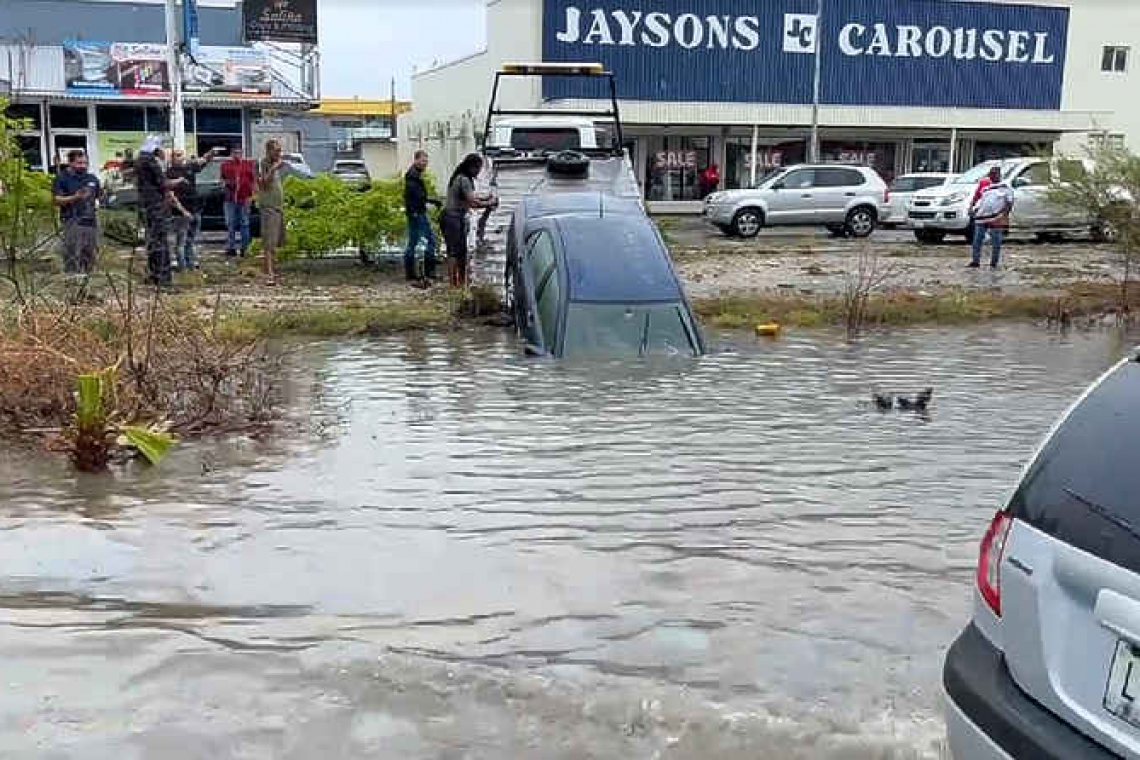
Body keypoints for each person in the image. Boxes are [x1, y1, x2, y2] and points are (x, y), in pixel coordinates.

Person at [441, 153, 497, 288]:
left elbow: (472, 199)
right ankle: (453, 284)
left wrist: (486, 199)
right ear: (471, 167)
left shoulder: (461, 178)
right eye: (478, 168)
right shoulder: (464, 179)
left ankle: (460, 282)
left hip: (455, 217)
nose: (478, 171)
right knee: (454, 252)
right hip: (452, 218)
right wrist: (489, 203)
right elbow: (472, 202)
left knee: (461, 252)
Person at [135, 138, 185, 286]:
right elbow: (164, 184)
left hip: (146, 205)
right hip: (157, 206)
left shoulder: (140, 160)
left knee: (152, 241)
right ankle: (164, 278)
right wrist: (180, 180)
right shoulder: (151, 161)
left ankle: (154, 275)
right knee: (161, 242)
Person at [167, 146, 222, 271]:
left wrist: (211, 153)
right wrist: (183, 211)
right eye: (177, 155)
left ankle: (191, 265)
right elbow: (170, 196)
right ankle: (183, 269)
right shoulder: (170, 173)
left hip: (194, 210)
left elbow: (203, 160)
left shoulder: (189, 168)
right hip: (180, 214)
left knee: (191, 241)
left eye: (181, 155)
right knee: (181, 242)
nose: (180, 157)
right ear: (172, 158)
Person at [50, 149, 100, 275]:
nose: (83, 166)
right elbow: (56, 200)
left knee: (89, 254)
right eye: (79, 163)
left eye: (85, 163)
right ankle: (72, 282)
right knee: (72, 253)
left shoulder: (92, 178)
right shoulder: (61, 178)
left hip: (90, 221)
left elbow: (100, 195)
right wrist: (75, 197)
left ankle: (87, 282)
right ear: (70, 163)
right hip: (72, 221)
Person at [403, 150, 441, 282]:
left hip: (416, 212)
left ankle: (411, 273)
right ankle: (428, 271)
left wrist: (431, 201)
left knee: (413, 242)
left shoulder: (415, 175)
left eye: (426, 161)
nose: (425, 164)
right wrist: (414, 212)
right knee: (429, 241)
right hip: (417, 213)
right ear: (416, 160)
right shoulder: (413, 176)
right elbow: (410, 197)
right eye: (423, 161)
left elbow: (419, 196)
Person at [969, 165, 1015, 269]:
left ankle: (994, 263)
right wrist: (973, 209)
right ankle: (975, 261)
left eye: (994, 174)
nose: (992, 176)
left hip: (996, 217)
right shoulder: (985, 188)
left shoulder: (1005, 188)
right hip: (981, 217)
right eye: (991, 174)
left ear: (999, 175)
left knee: (996, 242)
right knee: (977, 240)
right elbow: (979, 200)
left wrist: (1004, 216)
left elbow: (1009, 203)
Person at [257, 139, 287, 285]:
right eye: (276, 151)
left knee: (276, 241)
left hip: (278, 207)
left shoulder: (276, 164)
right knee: (269, 242)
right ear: (268, 151)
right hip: (268, 207)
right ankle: (268, 273)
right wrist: (274, 168)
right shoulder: (263, 164)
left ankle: (272, 269)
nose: (279, 153)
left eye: (280, 151)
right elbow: (264, 183)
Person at [220, 144, 256, 257]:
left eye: (239, 153)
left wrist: (252, 196)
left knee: (244, 223)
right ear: (231, 154)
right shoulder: (225, 165)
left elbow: (254, 181)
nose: (237, 155)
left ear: (242, 153)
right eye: (235, 153)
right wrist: (225, 184)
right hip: (230, 198)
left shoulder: (248, 165)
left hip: (244, 198)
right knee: (230, 223)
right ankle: (231, 248)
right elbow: (222, 179)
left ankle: (245, 248)